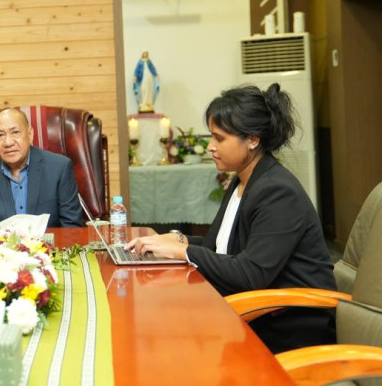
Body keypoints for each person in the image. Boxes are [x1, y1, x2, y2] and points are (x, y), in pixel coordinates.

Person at [126, 84, 336, 354]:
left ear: (253, 140)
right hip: (253, 311)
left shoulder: (277, 191)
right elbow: (220, 248)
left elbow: (251, 274)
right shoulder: (243, 181)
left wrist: (181, 250)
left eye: (219, 138)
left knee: (165, 334)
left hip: (288, 326)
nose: (210, 147)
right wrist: (177, 239)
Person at [0, 108, 82, 229]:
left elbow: (71, 227)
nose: (8, 143)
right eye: (0, 135)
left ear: (30, 134)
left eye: (15, 132)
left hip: (49, 241)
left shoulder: (59, 168)